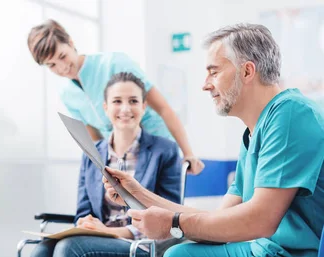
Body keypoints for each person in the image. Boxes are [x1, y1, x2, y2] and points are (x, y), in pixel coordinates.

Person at [103, 23, 324, 257]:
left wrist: (173, 224)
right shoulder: (253, 132)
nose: (205, 84)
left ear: (247, 71)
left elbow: (261, 220)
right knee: (180, 253)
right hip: (262, 248)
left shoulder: (291, 114)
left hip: (289, 254)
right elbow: (218, 220)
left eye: (214, 72)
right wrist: (138, 193)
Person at [30, 72, 182, 257]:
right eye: (117, 101)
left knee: (68, 248)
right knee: (41, 250)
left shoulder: (165, 151)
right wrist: (86, 223)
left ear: (144, 106)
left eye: (133, 101)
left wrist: (110, 232)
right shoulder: (92, 153)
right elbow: (83, 211)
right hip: (99, 238)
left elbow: (169, 216)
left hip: (141, 245)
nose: (125, 108)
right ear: (105, 107)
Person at [28, 19, 205, 174]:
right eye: (52, 65)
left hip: (157, 145)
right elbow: (95, 138)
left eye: (63, 56)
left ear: (70, 42)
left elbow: (163, 108)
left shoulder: (114, 63)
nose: (62, 68)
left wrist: (188, 152)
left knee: (161, 209)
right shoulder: (67, 94)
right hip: (123, 159)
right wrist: (104, 170)